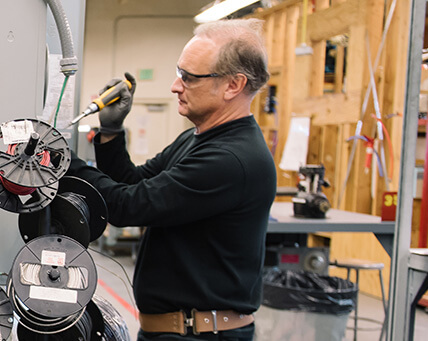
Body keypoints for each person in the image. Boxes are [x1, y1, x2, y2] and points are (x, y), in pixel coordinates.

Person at [67, 19, 276, 340]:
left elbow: (129, 206)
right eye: (180, 74)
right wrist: (110, 133)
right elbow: (133, 182)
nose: (175, 86)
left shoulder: (231, 158)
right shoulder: (200, 139)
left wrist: (62, 160)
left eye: (189, 78)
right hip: (175, 329)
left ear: (233, 85)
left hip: (200, 333)